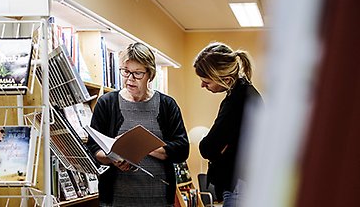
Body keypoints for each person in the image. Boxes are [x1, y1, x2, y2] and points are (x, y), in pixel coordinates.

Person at [87, 42, 189, 207]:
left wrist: (140, 146)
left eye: (137, 73)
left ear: (150, 74)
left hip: (159, 199)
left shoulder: (167, 105)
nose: (130, 79)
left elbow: (182, 149)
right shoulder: (107, 103)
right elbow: (93, 148)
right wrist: (113, 158)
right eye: (125, 72)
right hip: (116, 200)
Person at [193, 42, 263, 207]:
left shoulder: (237, 100)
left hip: (239, 185)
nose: (202, 85)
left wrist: (215, 147)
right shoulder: (245, 93)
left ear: (225, 79)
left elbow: (208, 147)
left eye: (206, 81)